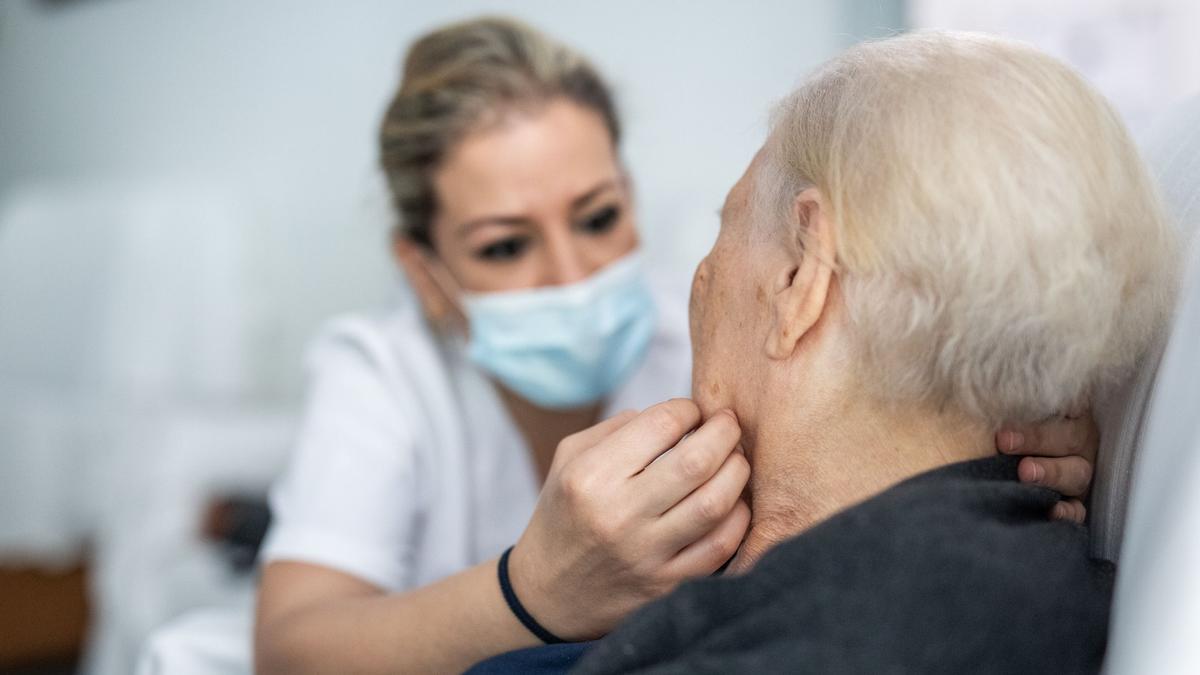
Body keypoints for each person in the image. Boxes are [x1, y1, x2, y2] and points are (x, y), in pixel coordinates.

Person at [251, 20, 1103, 675]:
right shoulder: (383, 374)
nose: (573, 273)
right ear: (427, 274)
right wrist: (530, 593)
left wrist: (1010, 409)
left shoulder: (688, 325)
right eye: (505, 246)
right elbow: (292, 647)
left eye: (597, 218)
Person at [470, 31, 1180, 674]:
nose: (703, 279)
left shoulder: (887, 622)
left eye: (729, 226)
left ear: (800, 275)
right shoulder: (965, 567)